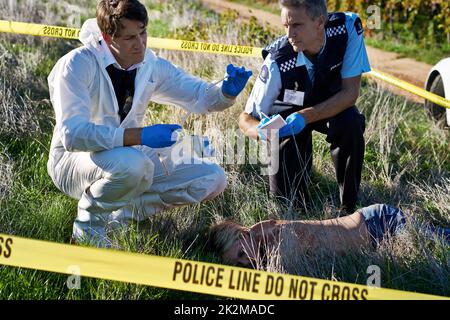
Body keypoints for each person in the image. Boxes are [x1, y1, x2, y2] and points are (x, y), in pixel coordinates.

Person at [47, 0, 252, 247]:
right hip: (74, 161)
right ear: (106, 36)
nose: (140, 43)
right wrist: (140, 136)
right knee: (135, 165)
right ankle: (86, 232)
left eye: (143, 33)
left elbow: (198, 94)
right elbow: (73, 135)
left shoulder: (149, 65)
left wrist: (225, 92)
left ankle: (121, 216)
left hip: (129, 156)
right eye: (130, 37)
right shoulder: (77, 64)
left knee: (212, 178)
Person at [238, 0, 371, 214]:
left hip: (332, 105)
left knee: (351, 121)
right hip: (289, 113)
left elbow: (350, 94)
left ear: (320, 22)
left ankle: (348, 208)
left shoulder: (347, 28)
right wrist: (263, 132)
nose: (289, 34)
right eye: (285, 26)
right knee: (285, 205)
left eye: (297, 25)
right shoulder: (277, 60)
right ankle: (299, 208)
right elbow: (245, 118)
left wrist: (306, 116)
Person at [208, 204, 450, 268]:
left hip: (380, 223)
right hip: (374, 240)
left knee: (438, 244)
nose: (245, 261)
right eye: (239, 263)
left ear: (243, 233)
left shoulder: (276, 234)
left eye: (241, 253)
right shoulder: (264, 249)